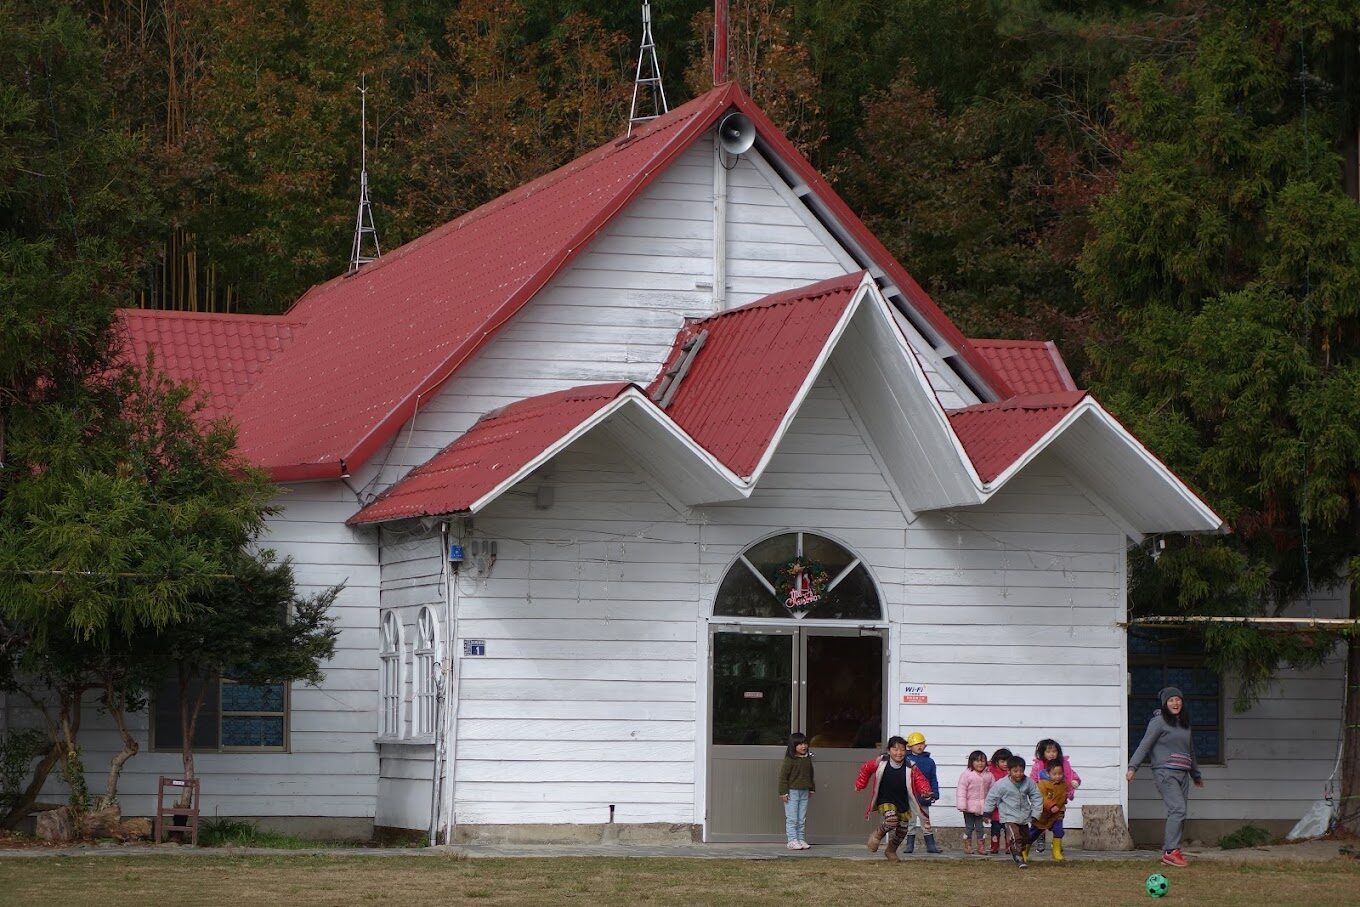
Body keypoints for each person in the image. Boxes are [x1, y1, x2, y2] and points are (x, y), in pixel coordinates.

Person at [1127, 686, 1204, 868]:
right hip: (1165, 772)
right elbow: (1145, 744)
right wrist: (1132, 767)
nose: (1175, 703)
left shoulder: (1184, 723)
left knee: (1179, 812)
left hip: (1183, 772)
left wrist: (1196, 774)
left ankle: (1172, 851)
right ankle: (1170, 851)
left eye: (1178, 699)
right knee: (1178, 809)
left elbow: (1190, 751)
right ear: (1165, 704)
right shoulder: (1158, 722)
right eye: (1171, 700)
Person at [854, 735, 923, 862]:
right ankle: (876, 836)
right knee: (891, 820)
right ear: (889, 750)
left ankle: (891, 850)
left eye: (902, 750)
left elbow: (920, 780)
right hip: (886, 799)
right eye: (895, 749)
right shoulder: (881, 762)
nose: (899, 753)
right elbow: (866, 769)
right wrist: (860, 784)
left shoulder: (910, 766)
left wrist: (925, 791)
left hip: (902, 801)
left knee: (902, 829)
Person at [983, 755, 1042, 869]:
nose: (1018, 774)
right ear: (1009, 771)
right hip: (1008, 816)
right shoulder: (1002, 784)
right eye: (1015, 771)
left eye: (1021, 771)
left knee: (1025, 838)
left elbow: (1036, 797)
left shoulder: (1028, 782)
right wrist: (987, 812)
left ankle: (1018, 850)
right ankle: (1018, 857)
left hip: (1024, 816)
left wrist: (1035, 814)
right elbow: (992, 797)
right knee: (1015, 837)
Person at [903, 731, 942, 854]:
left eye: (921, 743)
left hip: (924, 796)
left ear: (925, 745)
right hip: (910, 795)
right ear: (910, 746)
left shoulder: (930, 762)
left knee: (925, 820)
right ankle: (909, 845)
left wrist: (935, 793)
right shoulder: (906, 760)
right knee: (911, 821)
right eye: (916, 744)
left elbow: (933, 778)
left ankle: (930, 845)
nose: (919, 746)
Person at [778, 732, 815, 850]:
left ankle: (800, 838)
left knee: (801, 818)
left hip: (804, 791)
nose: (803, 746)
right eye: (800, 744)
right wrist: (783, 792)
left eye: (805, 743)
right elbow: (783, 777)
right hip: (792, 792)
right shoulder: (790, 760)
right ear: (793, 746)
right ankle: (792, 840)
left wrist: (811, 788)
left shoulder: (807, 759)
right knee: (792, 818)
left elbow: (810, 775)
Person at [1029, 759, 1069, 861]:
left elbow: (1063, 796)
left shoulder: (1063, 785)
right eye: (1054, 774)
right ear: (1048, 773)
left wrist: (1065, 799)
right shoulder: (1043, 784)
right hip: (1043, 814)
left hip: (1057, 814)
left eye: (1060, 773)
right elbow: (1041, 797)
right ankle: (1024, 850)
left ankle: (1056, 852)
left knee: (1058, 831)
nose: (1057, 776)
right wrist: (1050, 805)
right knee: (1033, 834)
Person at [955, 749, 994, 855]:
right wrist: (962, 804)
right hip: (968, 807)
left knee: (980, 828)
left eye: (982, 761)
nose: (980, 763)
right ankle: (967, 846)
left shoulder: (989, 775)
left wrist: (991, 806)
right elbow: (962, 790)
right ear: (971, 762)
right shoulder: (967, 774)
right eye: (977, 761)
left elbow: (993, 791)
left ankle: (981, 847)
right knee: (969, 827)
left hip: (982, 807)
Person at [986, 747, 1012, 854]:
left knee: (1008, 830)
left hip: (1008, 808)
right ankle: (994, 846)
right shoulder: (991, 772)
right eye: (1002, 761)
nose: (1005, 764)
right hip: (996, 808)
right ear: (996, 761)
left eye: (1007, 761)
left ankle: (1009, 847)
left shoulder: (1012, 773)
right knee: (995, 829)